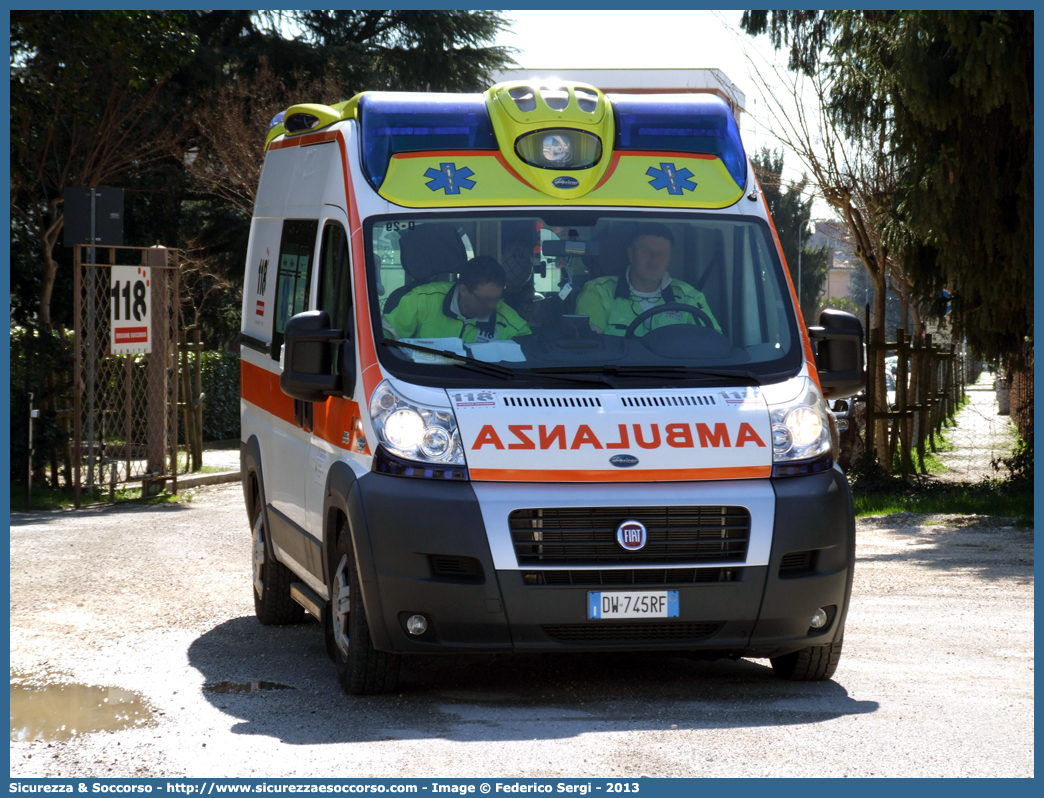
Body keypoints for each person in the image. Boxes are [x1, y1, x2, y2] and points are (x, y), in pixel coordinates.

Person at [575, 223, 721, 336]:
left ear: (670, 258)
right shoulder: (599, 292)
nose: (654, 259)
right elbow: (588, 348)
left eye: (662, 253)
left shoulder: (690, 298)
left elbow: (712, 345)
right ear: (631, 255)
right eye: (646, 251)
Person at [382, 255, 531, 344]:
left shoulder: (514, 326)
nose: (492, 305)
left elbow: (530, 356)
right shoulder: (421, 299)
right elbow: (384, 337)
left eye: (497, 298)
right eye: (485, 299)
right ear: (464, 290)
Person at [500, 237, 564, 327]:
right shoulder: (494, 301)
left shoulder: (536, 303)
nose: (517, 264)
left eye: (521, 257)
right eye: (514, 257)